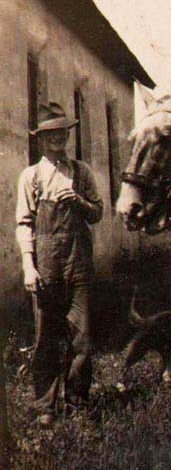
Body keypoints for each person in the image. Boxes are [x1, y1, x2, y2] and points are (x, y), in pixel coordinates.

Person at [16, 102, 103, 427]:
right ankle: (45, 407)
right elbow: (24, 223)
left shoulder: (82, 172)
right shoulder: (31, 176)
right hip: (46, 266)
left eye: (62, 133)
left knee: (82, 339)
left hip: (78, 265)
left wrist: (78, 202)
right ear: (40, 139)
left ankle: (78, 402)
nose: (57, 139)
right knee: (46, 338)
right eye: (50, 134)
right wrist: (29, 265)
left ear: (68, 135)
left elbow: (98, 213)